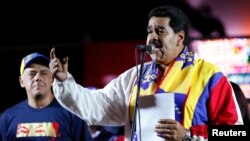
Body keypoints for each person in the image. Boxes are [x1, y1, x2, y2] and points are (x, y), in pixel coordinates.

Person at [50, 5, 243, 141]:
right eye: (149, 31)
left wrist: (188, 135)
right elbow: (96, 106)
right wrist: (64, 82)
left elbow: (235, 133)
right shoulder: (134, 76)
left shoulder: (209, 75)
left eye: (160, 31)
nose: (152, 37)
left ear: (180, 38)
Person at [0, 52, 93, 141]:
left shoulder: (72, 113)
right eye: (32, 74)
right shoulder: (7, 118)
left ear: (52, 79)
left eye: (44, 73)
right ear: (21, 81)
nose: (37, 78)